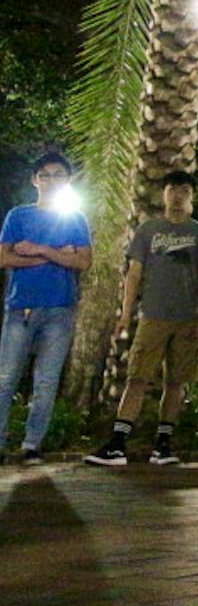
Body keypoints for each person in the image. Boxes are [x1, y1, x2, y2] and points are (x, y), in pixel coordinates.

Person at [86, 170, 198, 467]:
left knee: (176, 382)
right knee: (137, 377)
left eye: (184, 190)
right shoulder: (148, 231)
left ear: (192, 196)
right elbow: (134, 274)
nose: (178, 195)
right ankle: (118, 443)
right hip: (153, 316)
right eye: (172, 189)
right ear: (164, 194)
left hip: (187, 318)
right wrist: (126, 312)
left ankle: (164, 444)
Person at [0, 153, 92, 465]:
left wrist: (39, 249)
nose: (51, 180)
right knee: (6, 378)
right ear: (34, 179)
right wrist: (55, 255)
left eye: (58, 175)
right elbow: (4, 258)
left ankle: (31, 445)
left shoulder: (75, 219)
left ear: (68, 181)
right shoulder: (18, 216)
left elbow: (83, 261)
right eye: (45, 175)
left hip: (60, 309)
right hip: (20, 308)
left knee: (46, 381)